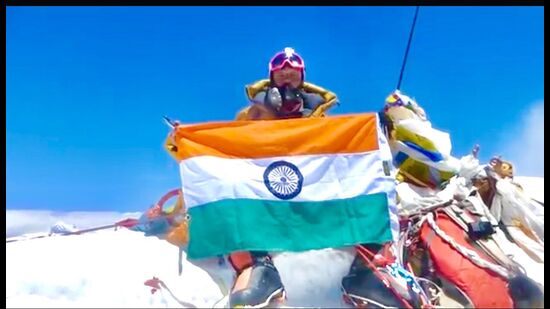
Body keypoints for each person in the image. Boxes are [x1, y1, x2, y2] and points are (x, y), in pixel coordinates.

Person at [230, 48, 400, 308]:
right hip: (268, 190)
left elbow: (341, 153)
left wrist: (376, 131)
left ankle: (365, 272)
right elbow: (225, 150)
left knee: (371, 192)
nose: (287, 76)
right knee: (232, 192)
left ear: (302, 77)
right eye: (281, 71)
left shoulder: (321, 118)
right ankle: (259, 268)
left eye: (293, 72)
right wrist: (187, 144)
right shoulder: (249, 117)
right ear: (272, 78)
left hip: (313, 191)